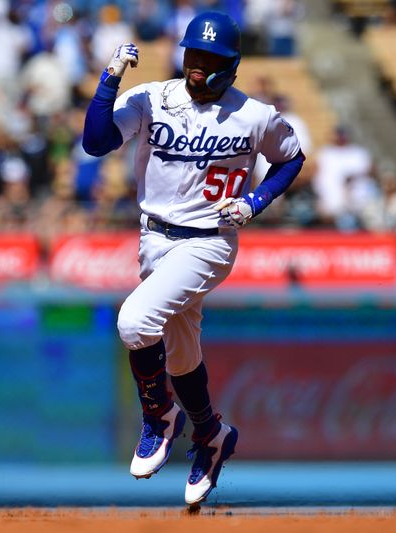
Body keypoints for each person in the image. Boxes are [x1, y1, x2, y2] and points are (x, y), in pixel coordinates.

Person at [82, 11, 305, 506]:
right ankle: (211, 434)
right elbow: (96, 142)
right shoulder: (153, 98)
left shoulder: (255, 115)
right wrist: (109, 78)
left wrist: (254, 202)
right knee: (182, 354)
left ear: (231, 64)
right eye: (193, 55)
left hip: (209, 240)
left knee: (136, 321)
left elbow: (291, 159)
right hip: (154, 239)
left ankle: (159, 416)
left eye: (210, 58)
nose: (198, 65)